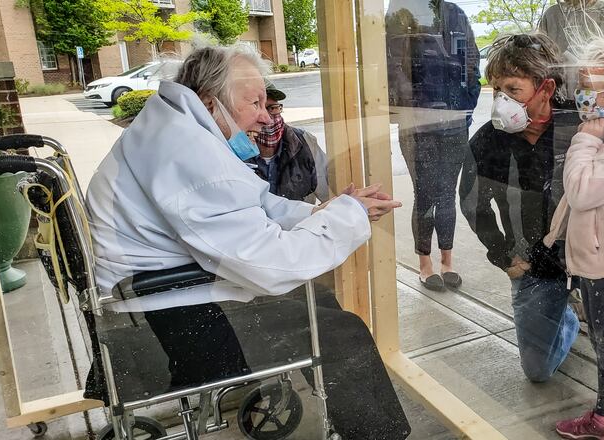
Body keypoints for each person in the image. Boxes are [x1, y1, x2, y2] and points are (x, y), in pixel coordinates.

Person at [85, 44, 410, 439]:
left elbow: (257, 203)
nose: (264, 113)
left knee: (320, 301)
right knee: (345, 333)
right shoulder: (191, 155)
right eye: (254, 102)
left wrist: (323, 212)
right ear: (210, 102)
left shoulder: (175, 129)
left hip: (156, 298)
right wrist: (347, 217)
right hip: (168, 327)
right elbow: (272, 266)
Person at [459, 32, 581, 382]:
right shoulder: (487, 140)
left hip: (584, 259)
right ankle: (565, 317)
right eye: (497, 90)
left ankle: (568, 304)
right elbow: (471, 202)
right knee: (538, 371)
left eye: (513, 90)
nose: (502, 101)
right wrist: (502, 254)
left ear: (545, 88)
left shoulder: (578, 128)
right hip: (530, 265)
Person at [546, 39, 604, 440]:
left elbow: (580, 192)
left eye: (592, 86)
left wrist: (584, 140)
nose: (583, 95)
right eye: (580, 85)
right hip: (598, 260)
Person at [386, 0, 481, 290]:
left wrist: (464, 106)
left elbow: (471, 63)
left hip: (454, 123)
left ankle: (447, 261)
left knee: (447, 194)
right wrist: (409, 109)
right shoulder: (401, 10)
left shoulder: (455, 13)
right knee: (425, 193)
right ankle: (425, 263)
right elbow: (391, 66)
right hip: (417, 124)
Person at [244, 83, 330, 203]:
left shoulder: (305, 142)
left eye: (273, 108)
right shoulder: (237, 148)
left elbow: (329, 193)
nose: (268, 118)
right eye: (259, 108)